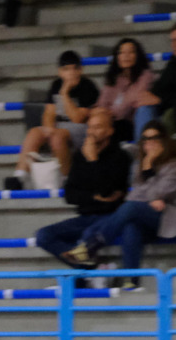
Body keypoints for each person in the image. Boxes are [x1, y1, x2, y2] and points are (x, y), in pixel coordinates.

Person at [62, 122, 176, 289]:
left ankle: (91, 246)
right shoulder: (140, 165)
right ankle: (131, 281)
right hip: (153, 215)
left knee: (132, 208)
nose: (149, 143)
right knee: (131, 226)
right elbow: (134, 196)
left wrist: (149, 168)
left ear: (165, 140)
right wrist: (151, 192)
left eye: (155, 138)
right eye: (145, 139)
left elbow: (154, 194)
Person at [33, 109, 132, 268]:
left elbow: (107, 192)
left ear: (109, 131)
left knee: (87, 235)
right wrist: (93, 197)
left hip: (110, 218)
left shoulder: (120, 157)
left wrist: (93, 161)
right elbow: (70, 195)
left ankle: (89, 273)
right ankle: (92, 268)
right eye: (90, 127)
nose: (92, 132)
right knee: (43, 235)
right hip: (85, 217)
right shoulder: (80, 156)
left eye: (98, 127)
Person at [5, 50, 100, 189]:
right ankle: (20, 176)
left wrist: (64, 94)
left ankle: (67, 178)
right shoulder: (56, 84)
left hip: (82, 129)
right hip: (59, 126)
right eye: (66, 69)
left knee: (57, 137)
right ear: (60, 72)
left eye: (74, 69)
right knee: (34, 133)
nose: (71, 73)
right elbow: (49, 113)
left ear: (80, 70)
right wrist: (48, 128)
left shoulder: (88, 86)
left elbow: (78, 118)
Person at [96, 38, 155, 144]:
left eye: (131, 52)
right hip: (110, 120)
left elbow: (131, 102)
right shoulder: (114, 77)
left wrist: (110, 113)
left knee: (114, 127)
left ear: (137, 55)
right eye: (122, 52)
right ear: (117, 56)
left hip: (130, 122)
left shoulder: (145, 76)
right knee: (96, 126)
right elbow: (102, 102)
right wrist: (102, 112)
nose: (126, 56)